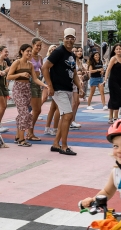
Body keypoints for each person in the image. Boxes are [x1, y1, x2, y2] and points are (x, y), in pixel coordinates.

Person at [42, 28, 82, 156]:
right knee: (68, 116)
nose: (69, 40)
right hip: (58, 89)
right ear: (63, 38)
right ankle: (64, 146)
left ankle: (55, 144)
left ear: (75, 39)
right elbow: (45, 67)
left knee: (65, 117)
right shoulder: (58, 51)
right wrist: (50, 86)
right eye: (67, 38)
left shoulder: (72, 55)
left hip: (68, 88)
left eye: (72, 38)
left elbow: (74, 73)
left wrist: (80, 87)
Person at [7, 43, 47, 147]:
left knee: (23, 113)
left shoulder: (30, 65)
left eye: (30, 51)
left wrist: (45, 85)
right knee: (24, 114)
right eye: (27, 51)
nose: (29, 53)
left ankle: (17, 136)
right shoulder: (17, 62)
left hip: (27, 90)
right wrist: (20, 74)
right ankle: (21, 139)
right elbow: (9, 76)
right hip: (18, 89)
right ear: (22, 52)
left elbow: (35, 79)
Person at [104, 43, 121, 123]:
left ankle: (110, 117)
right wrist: (105, 79)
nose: (118, 50)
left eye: (120, 49)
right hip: (112, 80)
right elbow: (108, 69)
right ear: (114, 50)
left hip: (119, 80)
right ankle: (115, 117)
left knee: (113, 98)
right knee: (118, 97)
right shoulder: (113, 58)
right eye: (117, 49)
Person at [27, 38, 44, 141]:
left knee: (38, 110)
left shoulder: (40, 57)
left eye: (40, 45)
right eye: (37, 45)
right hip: (30, 82)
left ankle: (30, 132)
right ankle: (29, 133)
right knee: (34, 109)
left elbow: (43, 70)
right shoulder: (29, 56)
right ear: (33, 45)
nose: (39, 47)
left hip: (38, 82)